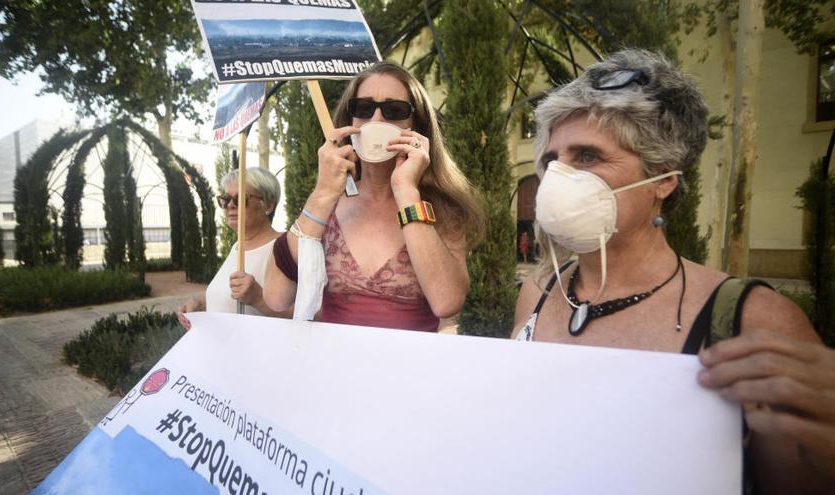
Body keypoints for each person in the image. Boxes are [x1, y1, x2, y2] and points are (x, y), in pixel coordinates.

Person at [513, 48, 834, 492]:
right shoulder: (539, 291)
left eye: (587, 157)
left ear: (663, 179)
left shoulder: (753, 318)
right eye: (552, 160)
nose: (557, 179)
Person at [264, 61, 483, 332]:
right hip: (334, 369)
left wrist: (406, 191)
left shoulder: (440, 209)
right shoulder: (328, 205)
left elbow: (447, 302)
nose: (376, 121)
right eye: (364, 109)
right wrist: (322, 195)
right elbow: (276, 296)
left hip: (410, 369)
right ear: (350, 120)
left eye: (394, 110)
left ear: (417, 125)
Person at [177, 167, 290, 329]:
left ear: (269, 205)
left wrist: (258, 299)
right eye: (225, 199)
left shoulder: (285, 247)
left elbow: (311, 315)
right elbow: (228, 296)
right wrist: (200, 304)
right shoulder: (238, 246)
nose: (229, 205)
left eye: (240, 199)